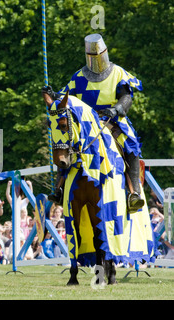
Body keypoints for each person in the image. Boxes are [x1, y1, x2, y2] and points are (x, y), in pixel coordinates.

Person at [45, 33, 145, 211]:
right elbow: (65, 98)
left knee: (130, 144)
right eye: (92, 56)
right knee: (66, 144)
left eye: (98, 55)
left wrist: (115, 110)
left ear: (105, 52)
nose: (96, 60)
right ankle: (59, 188)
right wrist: (53, 95)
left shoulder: (117, 73)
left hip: (113, 120)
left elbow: (127, 97)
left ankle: (133, 192)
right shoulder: (79, 77)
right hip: (85, 124)